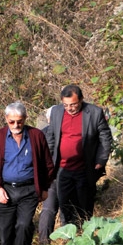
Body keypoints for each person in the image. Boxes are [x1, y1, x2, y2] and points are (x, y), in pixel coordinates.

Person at [0, 102, 54, 245]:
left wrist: (44, 187)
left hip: (29, 190)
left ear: (25, 119)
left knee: (24, 225)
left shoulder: (36, 136)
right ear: (6, 119)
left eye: (19, 122)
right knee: (6, 230)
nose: (16, 126)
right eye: (12, 122)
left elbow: (48, 164)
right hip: (5, 190)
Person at [45, 85, 112, 227]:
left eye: (73, 104)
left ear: (81, 99)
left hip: (84, 167)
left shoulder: (94, 112)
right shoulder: (56, 112)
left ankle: (86, 231)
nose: (69, 108)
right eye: (66, 105)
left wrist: (101, 159)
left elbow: (105, 138)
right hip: (62, 169)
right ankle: (68, 234)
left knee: (84, 203)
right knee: (64, 205)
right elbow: (51, 137)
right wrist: (49, 161)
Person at [38, 106, 59, 245]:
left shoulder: (39, 134)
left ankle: (44, 244)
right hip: (66, 175)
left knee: (48, 209)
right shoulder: (68, 131)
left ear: (47, 118)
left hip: (47, 177)